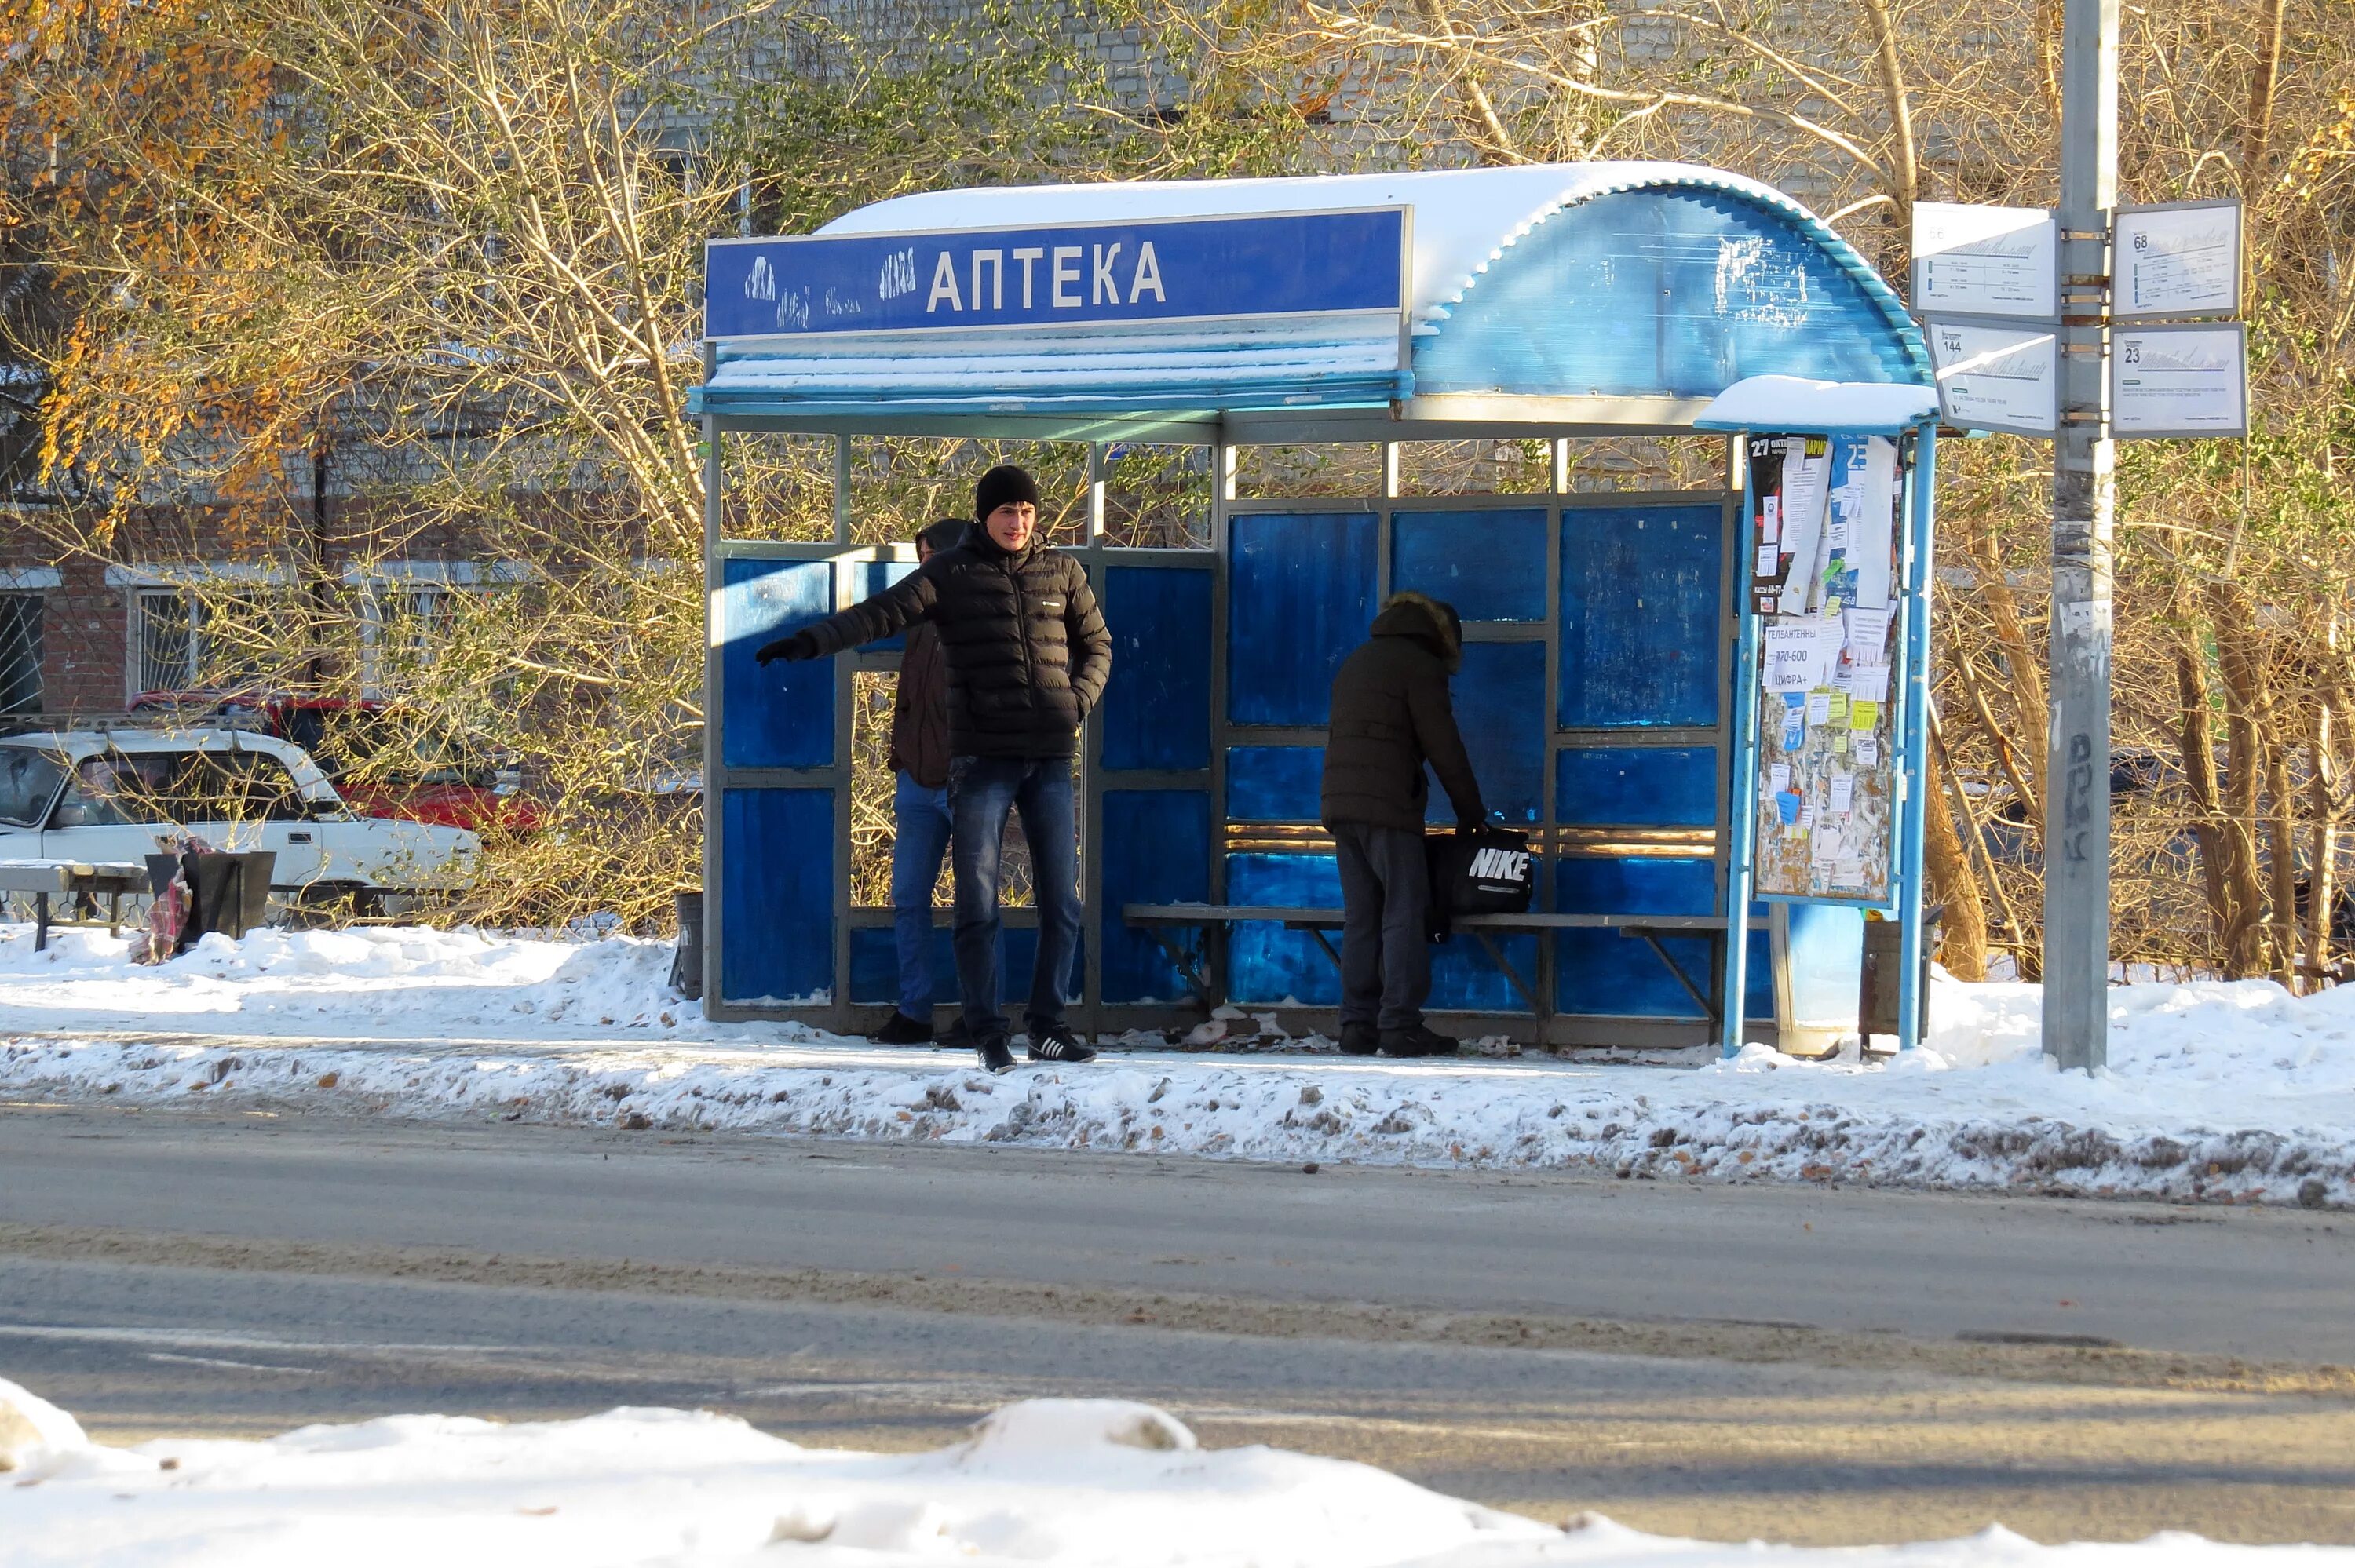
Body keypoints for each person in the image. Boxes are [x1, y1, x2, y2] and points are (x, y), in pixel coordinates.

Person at [758, 465, 1110, 1073]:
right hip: (980, 762)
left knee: (1063, 902)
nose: (1018, 523)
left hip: (1050, 759)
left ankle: (1048, 1025)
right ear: (984, 517)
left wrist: (1074, 704)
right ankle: (988, 1033)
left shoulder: (1063, 571)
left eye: (1026, 512)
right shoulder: (950, 573)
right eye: (1007, 512)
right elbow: (879, 614)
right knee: (977, 902)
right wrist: (811, 642)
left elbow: (1098, 645)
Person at [1319, 591, 1487, 1059]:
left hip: (1341, 805)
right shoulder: (1418, 665)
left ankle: (1357, 1025)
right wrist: (1471, 812)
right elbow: (1444, 746)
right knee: (1403, 912)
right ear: (1442, 637)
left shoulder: (1359, 660)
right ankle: (1399, 1025)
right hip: (1388, 807)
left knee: (1362, 917)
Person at [870, 517, 969, 1046]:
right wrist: (902, 757)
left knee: (978, 903)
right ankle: (915, 1011)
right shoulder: (920, 617)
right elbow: (909, 696)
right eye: (921, 556)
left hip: (968, 782)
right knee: (908, 897)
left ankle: (983, 1014)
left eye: (933, 554)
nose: (924, 565)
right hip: (916, 782)